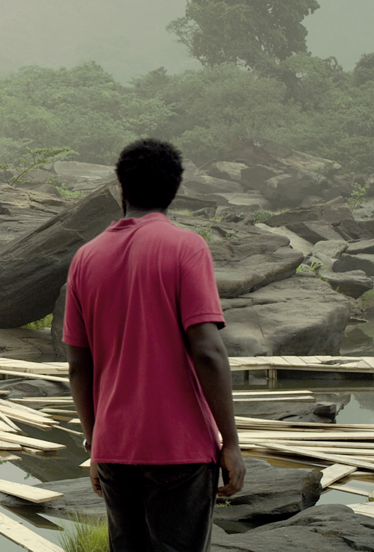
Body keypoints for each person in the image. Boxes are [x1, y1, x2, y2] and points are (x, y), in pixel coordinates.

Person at [64, 138, 245, 552]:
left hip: (114, 447)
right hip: (180, 449)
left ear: (121, 187)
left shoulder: (86, 258)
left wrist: (96, 441)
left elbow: (78, 365)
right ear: (174, 190)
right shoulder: (186, 247)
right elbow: (207, 350)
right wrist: (230, 443)